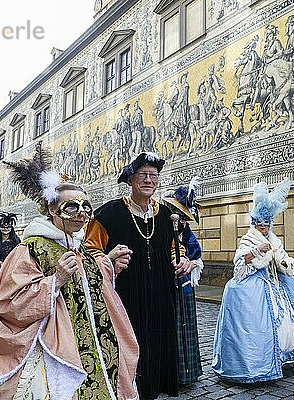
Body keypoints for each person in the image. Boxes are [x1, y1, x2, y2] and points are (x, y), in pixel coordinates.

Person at [0, 143, 139, 400]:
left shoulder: (79, 245)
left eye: (86, 208)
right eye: (71, 208)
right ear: (52, 210)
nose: (81, 215)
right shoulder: (30, 250)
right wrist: (54, 282)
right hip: (52, 344)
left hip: (95, 343)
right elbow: (9, 302)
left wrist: (108, 263)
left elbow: (88, 285)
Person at [85, 152, 193, 400]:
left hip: (160, 292)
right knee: (129, 341)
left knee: (157, 341)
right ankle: (127, 390)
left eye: (153, 176)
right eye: (142, 175)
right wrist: (109, 258)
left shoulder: (166, 215)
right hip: (126, 292)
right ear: (131, 180)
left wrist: (183, 260)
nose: (148, 180)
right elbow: (90, 250)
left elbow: (175, 247)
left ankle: (153, 388)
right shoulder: (108, 213)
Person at [212, 178, 294, 383]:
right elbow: (240, 263)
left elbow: (282, 256)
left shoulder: (274, 239)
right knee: (258, 325)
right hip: (255, 284)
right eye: (260, 225)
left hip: (277, 284)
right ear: (254, 223)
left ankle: (283, 355)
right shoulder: (248, 238)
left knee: (290, 318)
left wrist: (285, 262)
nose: (263, 228)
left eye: (266, 225)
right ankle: (257, 362)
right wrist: (256, 251)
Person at [162, 176, 204, 386]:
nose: (181, 221)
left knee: (185, 329)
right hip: (163, 288)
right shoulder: (160, 230)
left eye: (184, 217)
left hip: (184, 288)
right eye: (178, 215)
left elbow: (197, 259)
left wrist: (189, 264)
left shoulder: (187, 236)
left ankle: (186, 373)